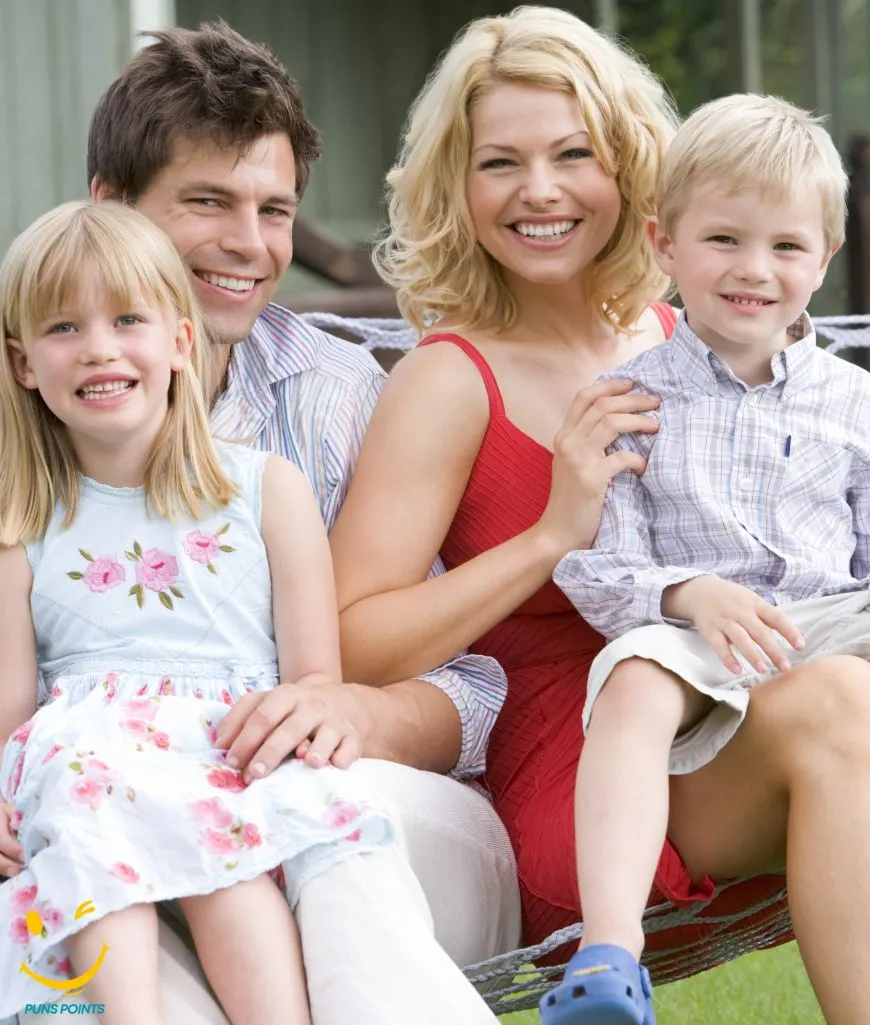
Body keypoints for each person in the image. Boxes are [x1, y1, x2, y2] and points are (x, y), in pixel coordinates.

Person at [332, 8, 870, 1025]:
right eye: (499, 162)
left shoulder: (690, 328)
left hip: (738, 691)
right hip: (587, 771)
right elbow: (355, 639)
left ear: (630, 171)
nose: (538, 190)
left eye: (572, 153)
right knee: (844, 698)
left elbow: (796, 529)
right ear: (458, 185)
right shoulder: (450, 379)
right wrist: (551, 530)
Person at [550, 93, 870, 1025]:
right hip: (701, 643)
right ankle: (607, 952)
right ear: (663, 243)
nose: (752, 270)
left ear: (824, 259)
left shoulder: (858, 404)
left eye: (784, 247)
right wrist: (689, 593)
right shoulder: (626, 401)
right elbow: (600, 570)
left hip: (837, 619)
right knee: (631, 681)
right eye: (722, 240)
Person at [76, 21, 516, 1025]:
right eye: (207, 202)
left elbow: (475, 690)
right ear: (108, 205)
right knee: (85, 916)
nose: (249, 244)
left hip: (381, 828)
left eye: (273, 210)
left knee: (308, 810)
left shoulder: (338, 398)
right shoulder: (27, 415)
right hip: (134, 843)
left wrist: (360, 715)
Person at [0, 201, 396, 1024]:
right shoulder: (19, 524)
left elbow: (314, 676)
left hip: (225, 749)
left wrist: (294, 728)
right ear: (25, 362)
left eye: (127, 319)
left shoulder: (262, 488)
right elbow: (11, 709)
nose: (100, 348)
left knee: (228, 866)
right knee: (87, 809)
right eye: (64, 327)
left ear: (182, 341)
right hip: (88, 765)